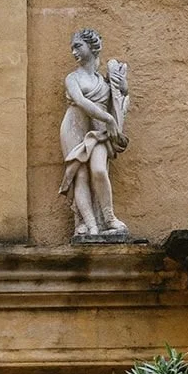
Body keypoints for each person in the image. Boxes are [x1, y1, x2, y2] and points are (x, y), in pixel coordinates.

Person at [59, 27, 129, 238]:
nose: (74, 52)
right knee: (80, 175)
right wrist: (107, 118)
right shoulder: (72, 78)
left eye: (78, 46)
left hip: (98, 132)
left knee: (99, 170)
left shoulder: (105, 81)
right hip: (74, 128)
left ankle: (109, 218)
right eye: (72, 47)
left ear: (92, 46)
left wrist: (123, 89)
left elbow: (119, 103)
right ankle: (89, 225)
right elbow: (80, 102)